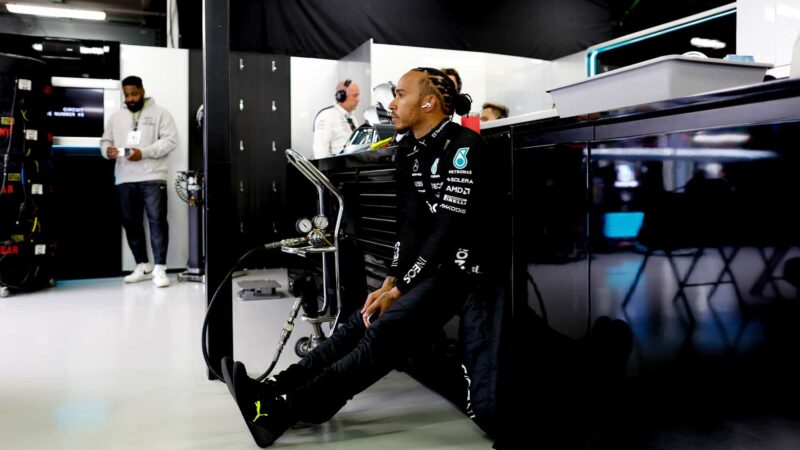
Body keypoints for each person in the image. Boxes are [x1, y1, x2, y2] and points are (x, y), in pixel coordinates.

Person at [221, 67, 509, 447]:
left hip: (471, 273)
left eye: (401, 94)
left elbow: (447, 228)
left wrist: (401, 288)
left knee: (389, 332)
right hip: (436, 269)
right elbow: (410, 223)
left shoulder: (464, 146)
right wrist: (391, 279)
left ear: (428, 102)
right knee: (363, 317)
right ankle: (274, 389)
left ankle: (285, 409)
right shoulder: (409, 150)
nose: (392, 103)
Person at [100, 75, 178, 288]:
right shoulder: (116, 117)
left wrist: (143, 152)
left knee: (157, 221)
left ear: (142, 91)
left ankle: (160, 268)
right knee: (130, 222)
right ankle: (142, 265)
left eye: (134, 94)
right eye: (126, 95)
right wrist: (107, 151)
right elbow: (105, 141)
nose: (130, 99)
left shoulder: (161, 113)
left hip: (153, 176)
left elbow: (171, 141)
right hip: (124, 177)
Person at [312, 79, 360, 159]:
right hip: (336, 166)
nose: (358, 99)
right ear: (341, 96)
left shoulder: (352, 118)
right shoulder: (327, 116)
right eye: (355, 96)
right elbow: (320, 151)